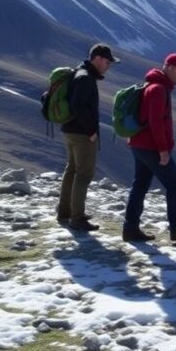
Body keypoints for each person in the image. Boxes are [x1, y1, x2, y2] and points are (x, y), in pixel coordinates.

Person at [122, 53, 176, 243]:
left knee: (140, 185)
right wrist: (163, 149)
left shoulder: (151, 85)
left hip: (138, 143)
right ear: (170, 67)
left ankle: (130, 228)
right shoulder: (159, 89)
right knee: (175, 182)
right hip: (151, 147)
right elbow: (156, 122)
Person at [56, 43, 118, 232]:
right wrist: (91, 130)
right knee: (84, 173)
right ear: (97, 59)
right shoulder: (85, 78)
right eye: (107, 62)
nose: (108, 66)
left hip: (69, 130)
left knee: (72, 169)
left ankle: (65, 211)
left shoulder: (79, 73)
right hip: (81, 133)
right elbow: (78, 106)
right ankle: (77, 218)